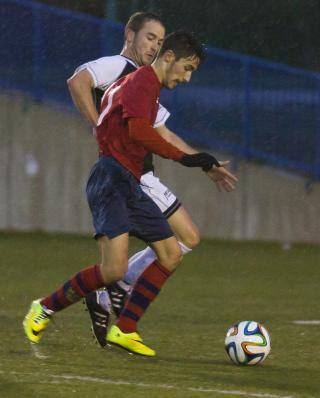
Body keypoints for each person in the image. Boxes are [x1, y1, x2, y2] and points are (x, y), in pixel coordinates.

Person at [23, 30, 234, 357]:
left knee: (171, 253)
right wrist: (189, 159)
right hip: (111, 179)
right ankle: (44, 308)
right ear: (168, 58)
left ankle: (126, 328)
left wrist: (199, 160)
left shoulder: (143, 88)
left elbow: (140, 128)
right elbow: (138, 130)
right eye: (188, 68)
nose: (188, 77)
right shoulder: (142, 82)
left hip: (128, 181)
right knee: (113, 271)